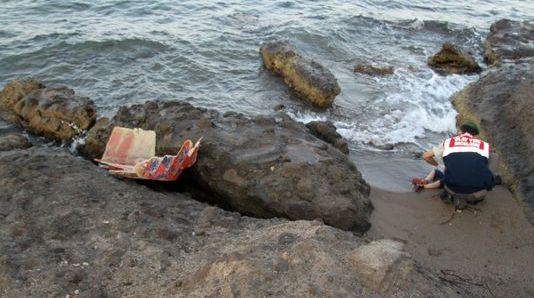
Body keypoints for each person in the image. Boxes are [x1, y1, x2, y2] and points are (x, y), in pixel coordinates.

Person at [412, 121, 496, 209]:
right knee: (494, 157)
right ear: (476, 136)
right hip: (477, 194)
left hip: (451, 190)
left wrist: (438, 165)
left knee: (448, 170)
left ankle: (425, 184)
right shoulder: (484, 145)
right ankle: (490, 181)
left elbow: (425, 156)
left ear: (460, 132)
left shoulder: (449, 143)